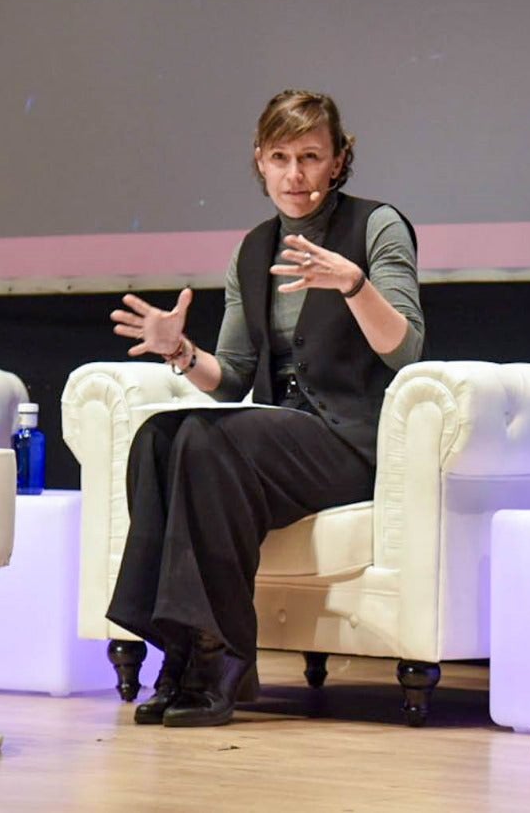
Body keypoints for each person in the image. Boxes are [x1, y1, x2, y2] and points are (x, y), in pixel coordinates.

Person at [105, 89, 424, 727]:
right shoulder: (252, 250)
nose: (295, 175)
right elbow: (229, 381)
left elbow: (407, 349)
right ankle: (181, 647)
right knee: (161, 437)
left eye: (310, 156)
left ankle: (221, 655)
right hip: (279, 448)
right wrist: (178, 351)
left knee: (203, 440)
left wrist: (354, 285)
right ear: (259, 162)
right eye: (280, 157)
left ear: (338, 161)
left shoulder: (376, 226)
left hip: (351, 446)